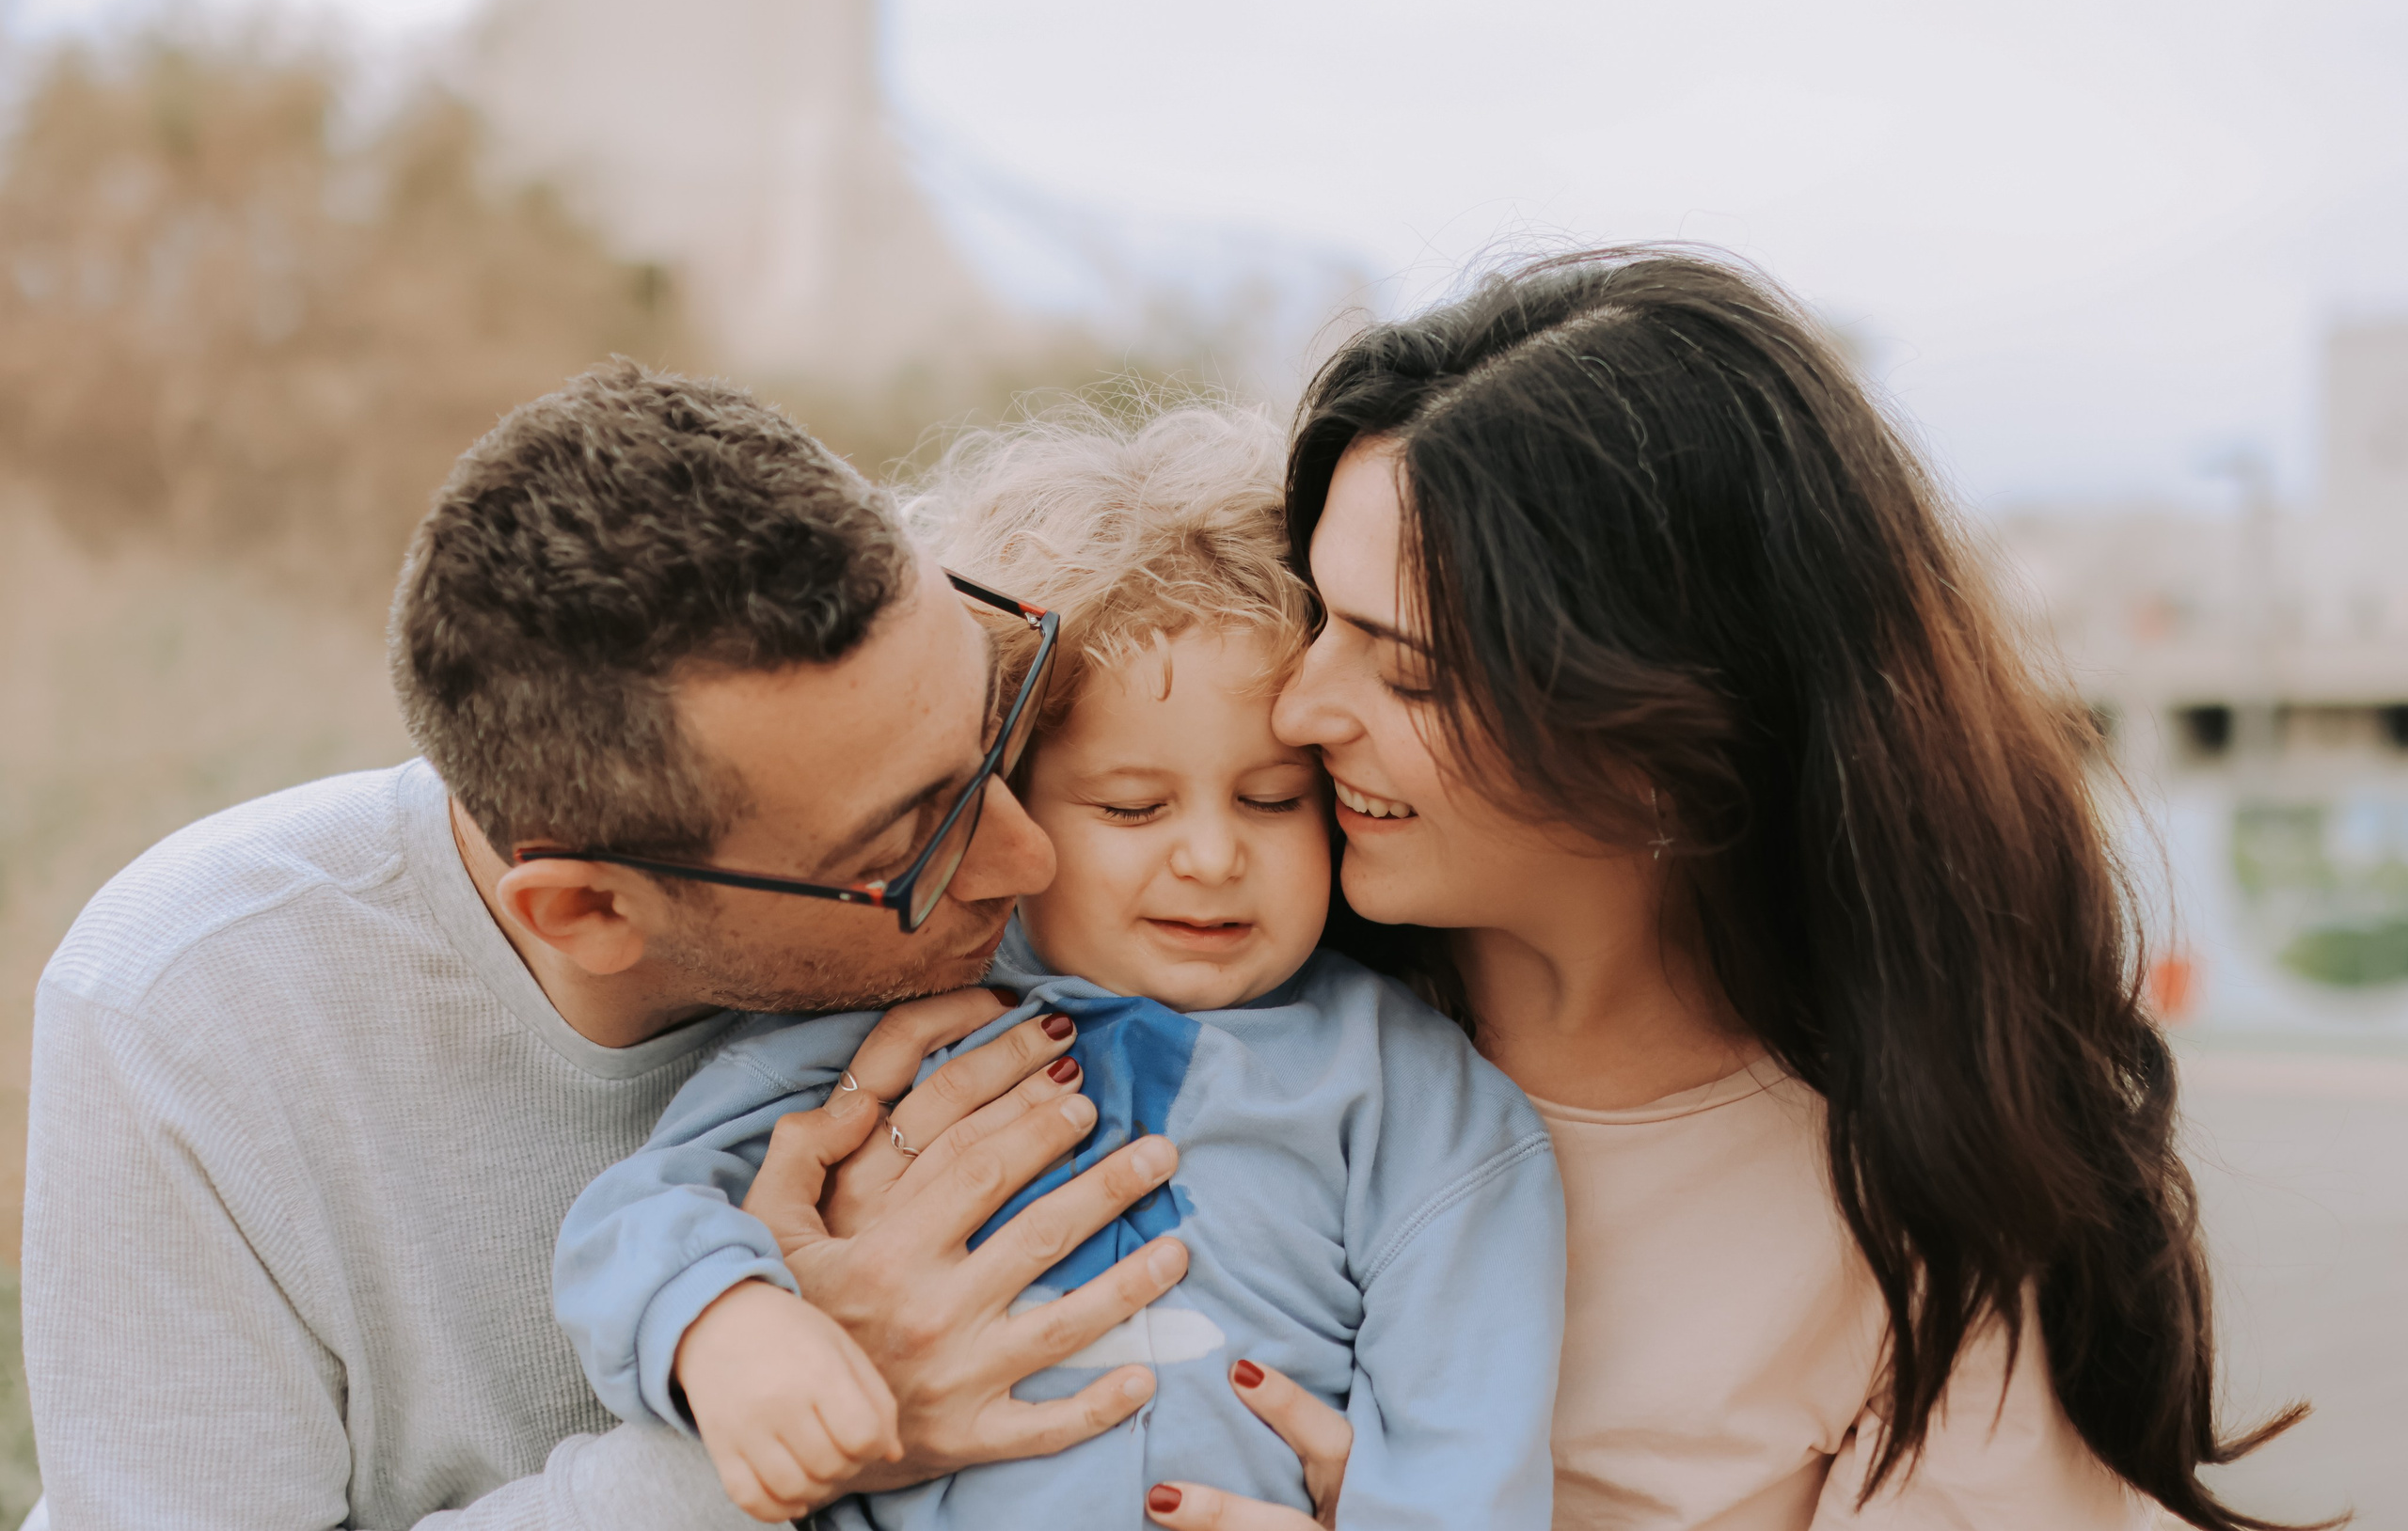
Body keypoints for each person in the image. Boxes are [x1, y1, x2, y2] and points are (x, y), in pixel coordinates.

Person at [1161, 248, 2311, 1530]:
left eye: (1412, 672)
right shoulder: (1178, 969)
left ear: (1668, 753)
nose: (1301, 705)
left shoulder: (1928, 1220)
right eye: (1319, 618)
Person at [20, 362, 1201, 1529]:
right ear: (587, 911)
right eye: (913, 840)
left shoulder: (1090, 879)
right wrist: (768, 1450)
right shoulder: (188, 1010)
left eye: (990, 724)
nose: (1027, 861)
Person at [551, 403, 1564, 1527]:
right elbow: (638, 1216)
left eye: (1274, 800)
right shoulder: (893, 1027)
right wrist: (729, 1326)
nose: (1214, 856)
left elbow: (1466, 1438)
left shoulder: (1411, 1092)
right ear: (1007, 800)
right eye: (1132, 806)